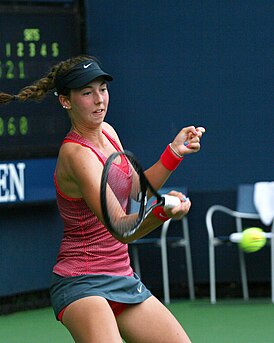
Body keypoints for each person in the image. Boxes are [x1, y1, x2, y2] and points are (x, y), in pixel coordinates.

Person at [0, 55, 205, 343]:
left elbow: (138, 191)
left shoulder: (108, 132)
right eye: (87, 93)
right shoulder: (76, 154)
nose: (99, 100)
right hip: (81, 282)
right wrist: (162, 212)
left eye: (102, 89)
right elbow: (121, 227)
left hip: (121, 275)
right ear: (65, 101)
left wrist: (173, 153)